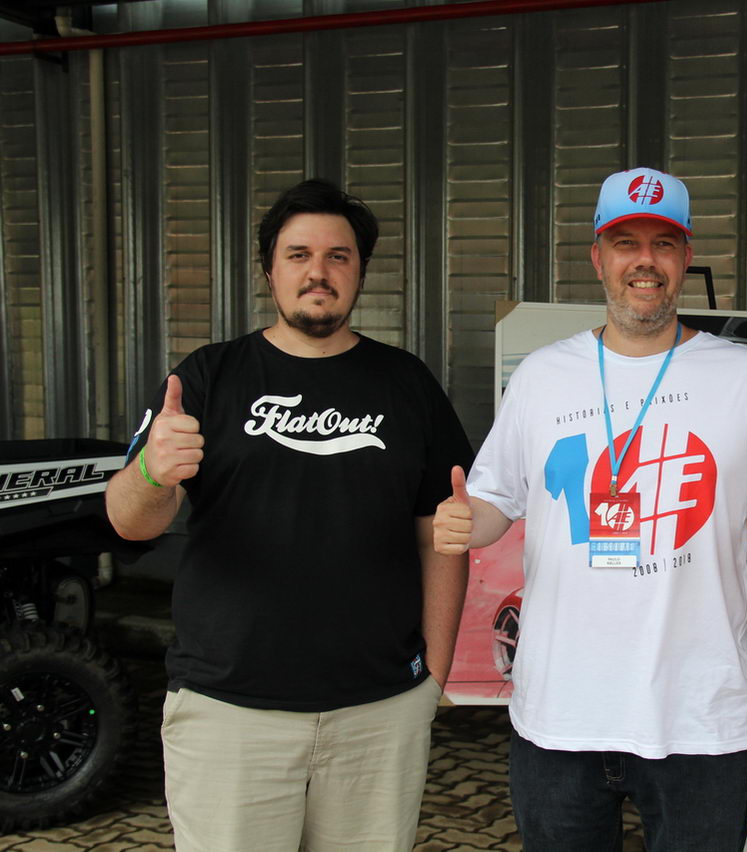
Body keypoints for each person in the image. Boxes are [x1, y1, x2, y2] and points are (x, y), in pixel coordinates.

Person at [433, 166, 747, 852]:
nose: (645, 260)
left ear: (685, 256)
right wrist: (470, 523)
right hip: (560, 714)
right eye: (625, 243)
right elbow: (496, 498)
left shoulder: (742, 375)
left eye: (662, 243)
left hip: (699, 718)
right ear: (598, 257)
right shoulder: (542, 375)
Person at [105, 178, 474, 851]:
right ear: (269, 269)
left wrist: (435, 677)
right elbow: (131, 523)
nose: (318, 272)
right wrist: (154, 470)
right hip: (230, 711)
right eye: (298, 254)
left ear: (360, 270)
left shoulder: (407, 383)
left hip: (378, 712)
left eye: (338, 256)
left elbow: (439, 536)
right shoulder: (208, 377)